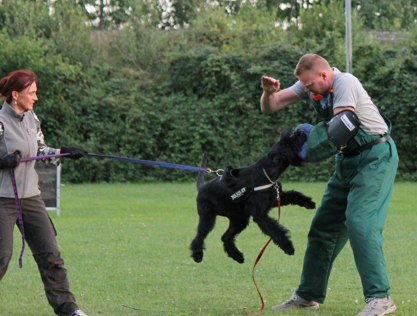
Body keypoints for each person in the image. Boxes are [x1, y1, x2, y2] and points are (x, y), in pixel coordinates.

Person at [260, 54, 398, 316]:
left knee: (360, 223)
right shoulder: (308, 83)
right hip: (347, 160)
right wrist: (268, 94)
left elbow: (341, 128)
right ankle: (307, 295)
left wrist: (296, 149)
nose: (307, 90)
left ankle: (380, 298)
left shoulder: (345, 83)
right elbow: (270, 106)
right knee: (322, 228)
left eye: (310, 85)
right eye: (304, 86)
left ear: (324, 75)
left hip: (375, 157)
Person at [0, 70, 89, 316]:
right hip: (2, 200)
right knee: (2, 256)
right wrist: (1, 161)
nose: (36, 98)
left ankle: (68, 310)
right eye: (32, 93)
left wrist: (64, 152)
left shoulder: (32, 118)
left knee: (51, 255)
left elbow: (40, 151)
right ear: (15, 95)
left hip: (31, 198)